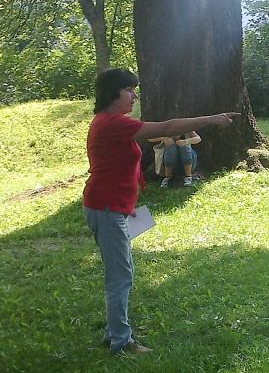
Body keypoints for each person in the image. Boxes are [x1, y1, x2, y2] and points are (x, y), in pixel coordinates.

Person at [83, 68, 238, 354]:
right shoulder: (112, 123)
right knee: (120, 276)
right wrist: (211, 119)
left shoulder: (110, 122)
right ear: (113, 92)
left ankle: (114, 332)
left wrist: (127, 204)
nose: (134, 96)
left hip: (111, 205)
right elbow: (168, 127)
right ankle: (121, 341)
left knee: (120, 272)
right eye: (129, 90)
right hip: (106, 207)